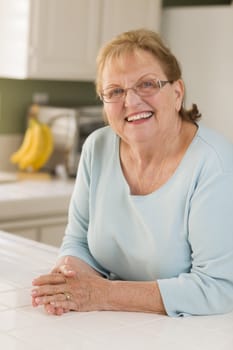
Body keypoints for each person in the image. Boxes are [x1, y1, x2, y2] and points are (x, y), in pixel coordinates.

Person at [31, 29, 233, 317]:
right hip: (116, 326)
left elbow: (219, 288)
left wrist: (98, 294)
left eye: (147, 84)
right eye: (115, 91)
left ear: (177, 93)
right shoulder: (97, 147)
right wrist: (69, 277)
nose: (131, 101)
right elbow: (78, 241)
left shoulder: (214, 163)